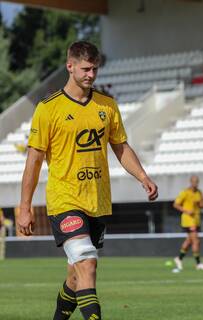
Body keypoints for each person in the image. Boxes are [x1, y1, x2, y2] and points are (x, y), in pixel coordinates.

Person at [17, 41, 158, 320]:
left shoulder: (107, 106)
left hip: (96, 201)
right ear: (70, 66)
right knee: (87, 262)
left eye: (95, 69)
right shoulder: (48, 109)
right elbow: (33, 161)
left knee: (76, 275)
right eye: (85, 69)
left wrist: (142, 176)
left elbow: (120, 147)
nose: (91, 75)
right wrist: (25, 207)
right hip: (65, 199)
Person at [173, 176, 203, 271]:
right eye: (194, 182)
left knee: (189, 241)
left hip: (196, 219)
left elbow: (202, 205)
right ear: (190, 182)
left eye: (197, 182)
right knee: (196, 240)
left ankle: (179, 258)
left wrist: (201, 202)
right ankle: (198, 263)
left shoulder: (199, 192)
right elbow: (175, 204)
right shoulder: (185, 192)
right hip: (188, 220)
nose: (196, 183)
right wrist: (186, 211)